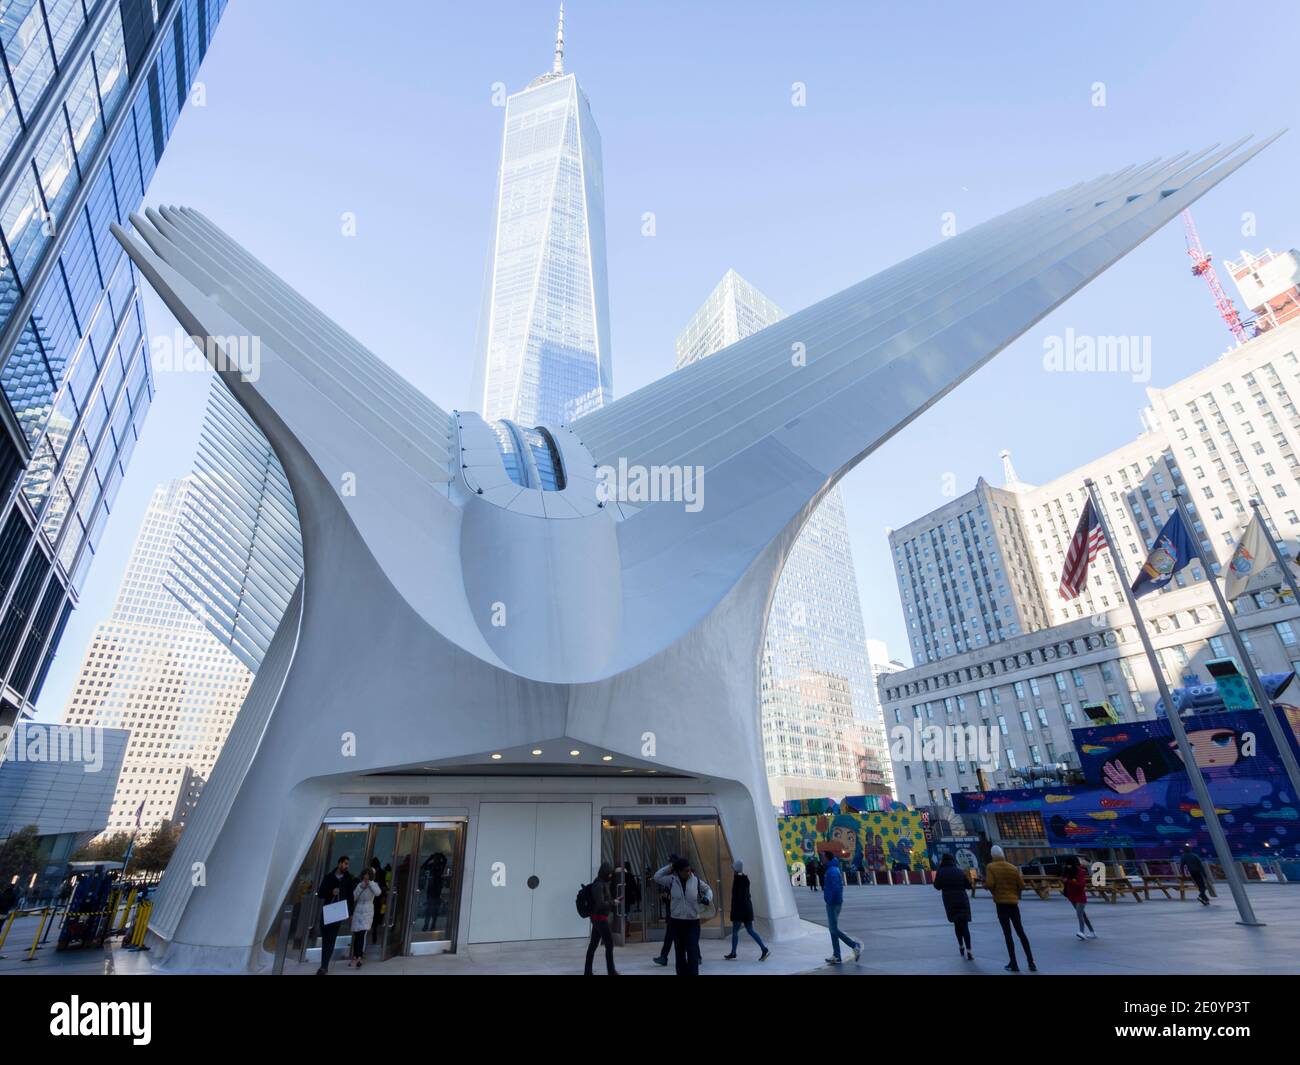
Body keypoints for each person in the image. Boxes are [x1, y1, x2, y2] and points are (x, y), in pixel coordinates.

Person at [653, 857, 713, 975]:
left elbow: (708, 890)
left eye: (689, 870)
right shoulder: (671, 880)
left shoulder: (696, 881)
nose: (688, 873)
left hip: (692, 922)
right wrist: (671, 866)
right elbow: (657, 876)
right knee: (679, 953)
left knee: (692, 951)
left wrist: (707, 898)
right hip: (676, 922)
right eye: (685, 870)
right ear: (679, 871)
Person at [984, 845, 1036, 972]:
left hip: (1001, 904)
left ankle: (1014, 963)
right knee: (1021, 932)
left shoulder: (991, 867)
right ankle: (1031, 962)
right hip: (1013, 903)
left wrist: (986, 885)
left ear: (992, 855)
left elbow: (990, 884)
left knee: (1008, 934)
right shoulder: (1013, 867)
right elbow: (1022, 885)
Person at [315, 856, 357, 974]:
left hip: (338, 912)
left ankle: (324, 966)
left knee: (331, 939)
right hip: (327, 911)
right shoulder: (329, 877)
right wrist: (331, 892)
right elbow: (320, 894)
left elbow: (350, 897)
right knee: (325, 938)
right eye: (345, 864)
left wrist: (350, 913)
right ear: (339, 864)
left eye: (348, 864)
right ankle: (324, 964)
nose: (347, 866)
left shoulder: (348, 879)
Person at [723, 860, 769, 961]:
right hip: (747, 909)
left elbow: (739, 897)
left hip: (740, 910)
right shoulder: (745, 878)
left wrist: (735, 910)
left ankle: (733, 952)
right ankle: (764, 949)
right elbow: (746, 895)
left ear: (736, 869)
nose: (733, 870)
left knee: (735, 931)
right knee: (750, 930)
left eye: (733, 868)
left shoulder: (738, 880)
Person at [822, 852, 861, 965]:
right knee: (832, 929)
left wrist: (829, 899)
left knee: (834, 929)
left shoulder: (832, 871)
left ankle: (854, 945)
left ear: (827, 858)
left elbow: (836, 888)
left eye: (823, 857)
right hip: (834, 902)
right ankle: (837, 955)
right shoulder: (832, 869)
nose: (821, 859)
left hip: (833, 903)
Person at [933, 853, 975, 959]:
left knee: (957, 924)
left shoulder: (941, 871)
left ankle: (961, 946)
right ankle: (969, 950)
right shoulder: (959, 871)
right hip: (962, 900)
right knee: (965, 926)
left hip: (950, 901)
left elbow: (937, 886)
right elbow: (968, 886)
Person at [583, 861, 619, 975]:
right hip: (600, 918)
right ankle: (611, 971)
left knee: (593, 945)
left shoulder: (602, 882)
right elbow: (600, 903)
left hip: (598, 918)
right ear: (605, 873)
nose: (610, 876)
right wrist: (613, 902)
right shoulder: (599, 884)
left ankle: (587, 971)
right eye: (609, 873)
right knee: (609, 944)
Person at [349, 867, 382, 966]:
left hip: (368, 911)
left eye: (368, 874)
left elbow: (378, 892)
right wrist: (361, 887)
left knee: (362, 934)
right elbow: (353, 897)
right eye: (365, 874)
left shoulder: (374, 885)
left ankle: (359, 956)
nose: (366, 876)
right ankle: (355, 956)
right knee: (357, 934)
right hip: (358, 910)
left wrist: (370, 883)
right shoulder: (359, 885)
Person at [652, 854, 680, 967]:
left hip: (677, 914)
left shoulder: (673, 879)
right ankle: (663, 956)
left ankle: (664, 957)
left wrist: (669, 867)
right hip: (673, 914)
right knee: (670, 936)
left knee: (679, 936)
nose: (669, 866)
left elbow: (657, 876)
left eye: (671, 863)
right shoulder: (672, 878)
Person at [1061, 856, 1095, 940]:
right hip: (1071, 896)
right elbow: (1064, 879)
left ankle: (1081, 932)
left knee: (1079, 915)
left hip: (1080, 897)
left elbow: (1081, 885)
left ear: (1072, 864)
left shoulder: (1080, 872)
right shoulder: (1067, 871)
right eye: (1066, 864)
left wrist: (1068, 881)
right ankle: (1092, 932)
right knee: (1083, 915)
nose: (1067, 866)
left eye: (1068, 864)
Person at [420, 851, 447, 932]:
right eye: (435, 858)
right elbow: (423, 867)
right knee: (430, 908)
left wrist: (435, 856)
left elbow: (444, 860)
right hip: (432, 888)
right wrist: (430, 858)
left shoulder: (440, 865)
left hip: (436, 888)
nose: (436, 859)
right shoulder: (433, 865)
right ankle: (427, 925)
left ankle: (432, 925)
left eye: (437, 858)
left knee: (434, 908)